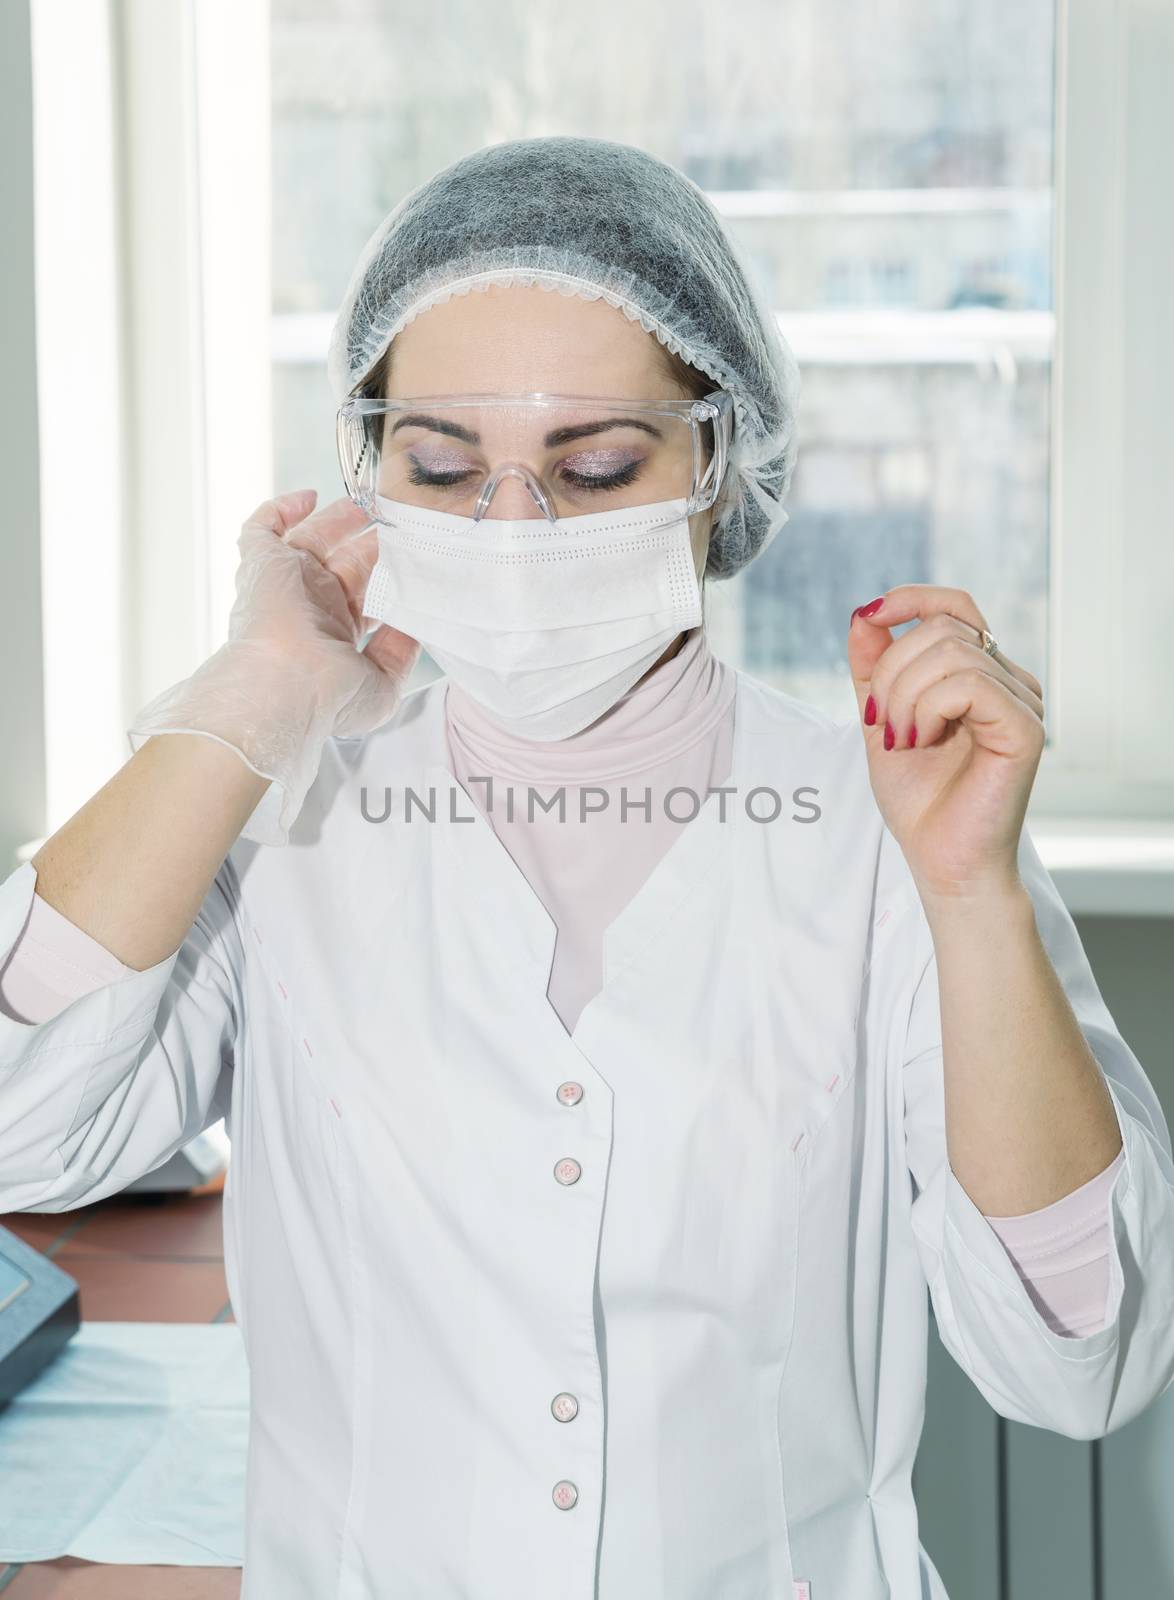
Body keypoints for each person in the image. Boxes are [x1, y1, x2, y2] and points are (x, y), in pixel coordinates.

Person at [1, 135, 1172, 1600]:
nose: (510, 528)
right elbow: (18, 1129)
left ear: (719, 458)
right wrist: (244, 700)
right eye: (440, 465)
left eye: (595, 465)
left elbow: (1080, 1358)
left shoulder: (892, 823)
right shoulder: (275, 809)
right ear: (371, 471)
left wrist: (968, 898)